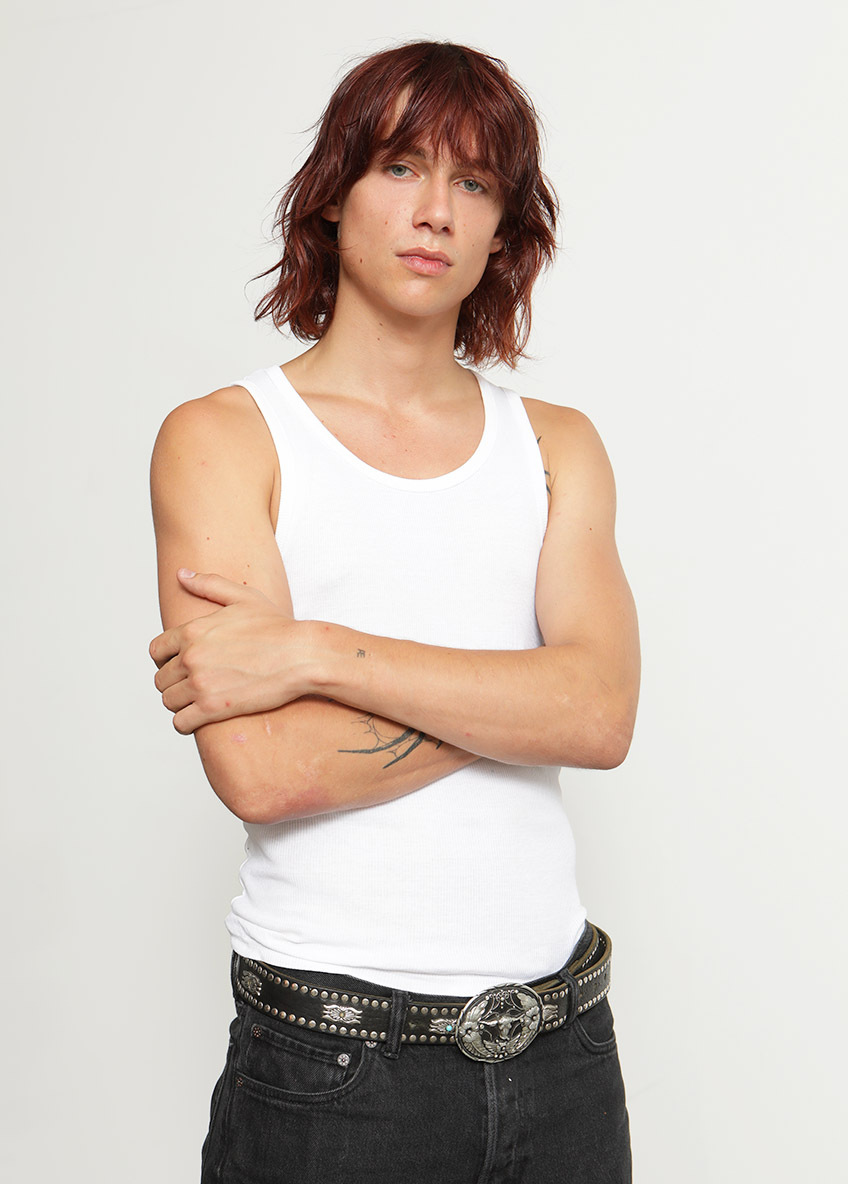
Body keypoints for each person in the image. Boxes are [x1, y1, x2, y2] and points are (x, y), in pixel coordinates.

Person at [149, 40, 640, 1183]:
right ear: (333, 193)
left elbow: (599, 715)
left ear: (503, 229)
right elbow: (265, 768)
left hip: (563, 1050)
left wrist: (317, 652)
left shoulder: (556, 446)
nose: (434, 211)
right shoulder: (225, 438)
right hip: (334, 1067)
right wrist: (523, 691)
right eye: (401, 167)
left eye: (473, 182)